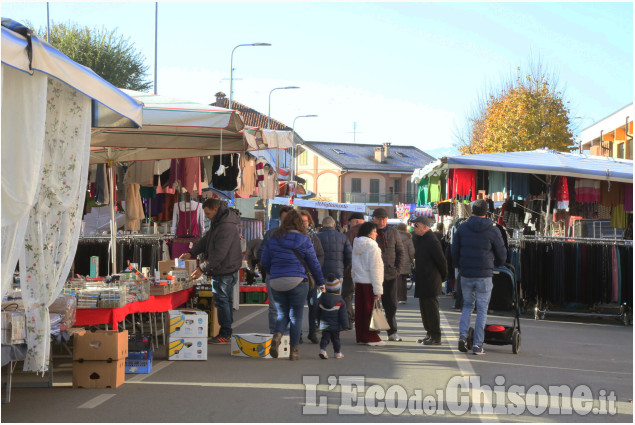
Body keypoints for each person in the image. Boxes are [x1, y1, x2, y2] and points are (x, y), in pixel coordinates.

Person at [261, 210, 325, 360]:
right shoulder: (304, 239)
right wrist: (320, 282)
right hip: (297, 281)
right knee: (296, 316)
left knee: (282, 313)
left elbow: (264, 261)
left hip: (276, 281)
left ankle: (277, 334)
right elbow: (314, 264)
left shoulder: (273, 239)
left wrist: (274, 272)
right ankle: (294, 351)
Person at [181, 198, 242, 344]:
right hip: (225, 268)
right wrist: (191, 252)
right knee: (224, 301)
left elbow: (219, 254)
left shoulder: (225, 226)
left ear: (215, 210)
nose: (207, 216)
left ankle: (225, 333)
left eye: (208, 213)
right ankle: (226, 331)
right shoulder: (219, 223)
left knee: (223, 302)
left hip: (225, 270)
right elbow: (206, 240)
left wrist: (201, 268)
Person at [452, 199, 507, 355]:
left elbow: (454, 250)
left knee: (467, 306)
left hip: (467, 273)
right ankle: (477, 345)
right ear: (487, 211)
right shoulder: (493, 230)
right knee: (482, 309)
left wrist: (459, 265)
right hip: (484, 274)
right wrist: (494, 263)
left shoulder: (462, 228)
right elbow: (502, 253)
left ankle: (463, 337)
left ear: (472, 210)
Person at [411, 216, 448, 345]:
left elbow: (441, 261)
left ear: (425, 227)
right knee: (424, 308)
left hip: (431, 278)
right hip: (422, 278)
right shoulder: (419, 239)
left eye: (417, 225)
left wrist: (443, 277)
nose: (414, 228)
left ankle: (436, 335)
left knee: (431, 308)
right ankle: (429, 333)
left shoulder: (432, 240)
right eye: (414, 225)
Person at [258, 205, 294, 334]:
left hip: (292, 276)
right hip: (274, 274)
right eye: (284, 219)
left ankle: (288, 335)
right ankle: (275, 334)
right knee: (274, 307)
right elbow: (261, 253)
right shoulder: (271, 234)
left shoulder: (299, 235)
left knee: (289, 307)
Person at [371, 208, 405, 342]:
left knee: (391, 304)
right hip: (373, 275)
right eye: (379, 218)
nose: (382, 221)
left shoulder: (393, 232)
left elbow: (401, 252)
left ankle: (392, 332)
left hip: (390, 274)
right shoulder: (369, 231)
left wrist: (397, 269)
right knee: (374, 304)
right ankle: (375, 330)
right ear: (373, 219)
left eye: (384, 219)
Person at [351, 222, 385, 346]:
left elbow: (354, 265)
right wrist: (378, 289)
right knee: (370, 310)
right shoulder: (373, 247)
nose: (376, 234)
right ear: (370, 232)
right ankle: (371, 337)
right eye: (375, 231)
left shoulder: (357, 244)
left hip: (359, 281)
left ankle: (361, 336)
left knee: (360, 310)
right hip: (370, 282)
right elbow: (376, 269)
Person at [300, 210, 325, 344]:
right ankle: (297, 334)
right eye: (301, 221)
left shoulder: (314, 238)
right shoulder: (293, 236)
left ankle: (312, 331)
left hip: (311, 277)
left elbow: (320, 255)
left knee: (313, 305)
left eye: (305, 221)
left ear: (309, 222)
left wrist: (316, 267)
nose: (303, 224)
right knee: (297, 306)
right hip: (297, 276)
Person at [317, 274, 349, 359]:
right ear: (338, 289)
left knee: (325, 338)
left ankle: (323, 350)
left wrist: (317, 322)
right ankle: (337, 353)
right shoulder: (340, 301)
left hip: (324, 324)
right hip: (335, 325)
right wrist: (345, 326)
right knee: (336, 340)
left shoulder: (321, 299)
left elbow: (317, 312)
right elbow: (343, 315)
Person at [316, 216, 352, 291]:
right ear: (334, 225)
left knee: (322, 297)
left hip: (321, 273)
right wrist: (342, 267)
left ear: (322, 226)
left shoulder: (317, 237)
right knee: (336, 298)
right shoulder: (343, 237)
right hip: (338, 273)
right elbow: (350, 256)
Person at [342, 212, 365, 327]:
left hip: (349, 270)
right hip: (365, 271)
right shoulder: (370, 232)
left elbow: (345, 252)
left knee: (347, 296)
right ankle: (362, 321)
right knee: (363, 297)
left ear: (355, 221)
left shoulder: (349, 233)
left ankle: (349, 320)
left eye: (350, 222)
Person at [395, 223, 415, 304]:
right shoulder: (409, 238)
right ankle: (404, 297)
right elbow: (412, 251)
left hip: (396, 260)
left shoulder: (394, 237)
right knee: (404, 280)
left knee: (398, 280)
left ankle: (399, 297)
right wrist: (411, 259)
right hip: (406, 261)